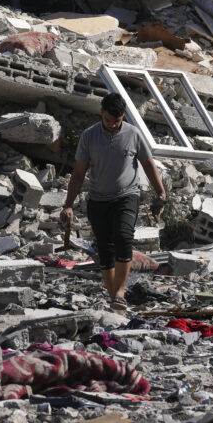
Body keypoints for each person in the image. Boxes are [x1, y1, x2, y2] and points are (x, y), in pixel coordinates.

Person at [60, 92, 167, 313]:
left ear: (123, 116)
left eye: (116, 121)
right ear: (102, 113)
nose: (112, 124)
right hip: (98, 200)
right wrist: (68, 204)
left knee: (124, 237)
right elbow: (78, 174)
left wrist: (161, 193)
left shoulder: (133, 134)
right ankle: (115, 301)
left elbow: (148, 164)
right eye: (108, 120)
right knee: (105, 250)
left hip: (127, 196)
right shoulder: (89, 136)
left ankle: (120, 292)